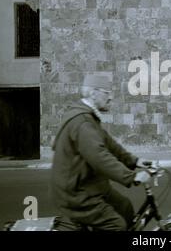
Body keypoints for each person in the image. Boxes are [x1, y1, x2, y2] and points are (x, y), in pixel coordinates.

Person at [50, 73, 151, 231]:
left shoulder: (88, 118)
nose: (110, 98)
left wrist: (134, 161)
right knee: (116, 226)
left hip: (90, 186)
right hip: (77, 194)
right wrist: (132, 176)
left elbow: (109, 144)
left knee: (124, 208)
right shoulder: (82, 122)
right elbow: (100, 157)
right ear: (93, 93)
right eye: (106, 92)